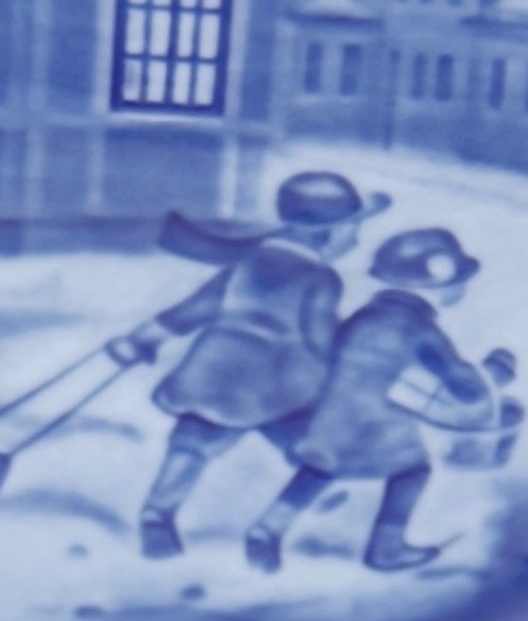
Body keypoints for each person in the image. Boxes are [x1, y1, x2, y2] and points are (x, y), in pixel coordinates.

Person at [112, 172, 391, 560]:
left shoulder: (248, 261)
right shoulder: (322, 278)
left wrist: (144, 337)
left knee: (193, 444)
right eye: (353, 229)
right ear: (324, 233)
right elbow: (320, 336)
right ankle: (274, 523)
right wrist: (354, 361)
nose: (357, 239)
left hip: (216, 376)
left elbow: (199, 307)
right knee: (321, 448)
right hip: (284, 388)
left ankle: (157, 515)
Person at [245, 228, 492, 574]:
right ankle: (386, 548)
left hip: (329, 415)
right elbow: (459, 380)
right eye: (457, 281)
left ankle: (268, 527)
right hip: (371, 422)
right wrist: (480, 388)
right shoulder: (418, 328)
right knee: (412, 471)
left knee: (320, 467)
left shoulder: (364, 316)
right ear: (437, 283)